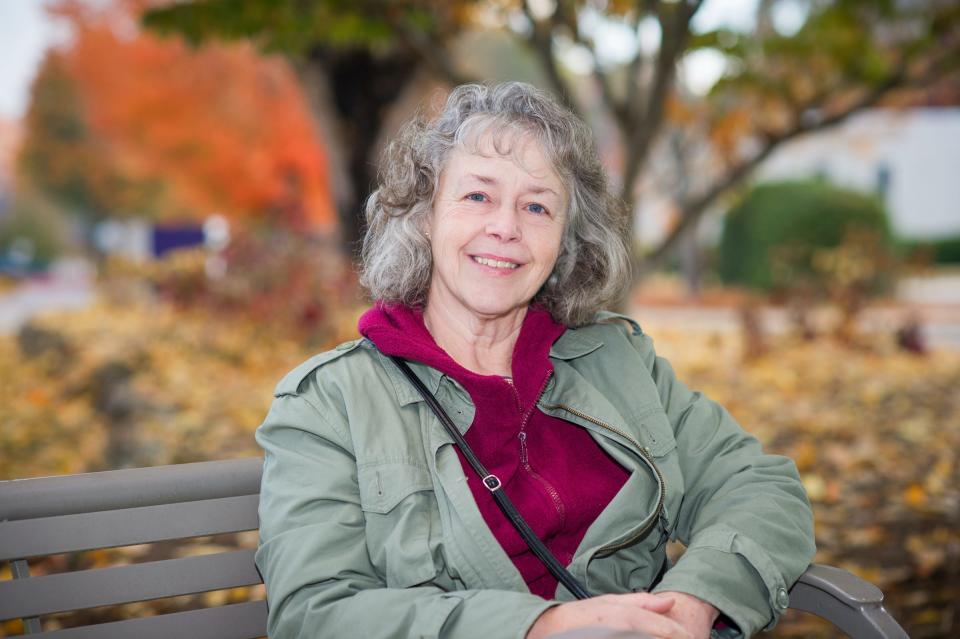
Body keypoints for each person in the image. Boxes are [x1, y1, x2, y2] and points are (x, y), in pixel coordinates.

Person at [255, 82, 815, 639]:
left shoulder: (615, 359)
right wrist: (541, 626)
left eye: (537, 206)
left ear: (564, 241)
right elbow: (316, 614)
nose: (506, 227)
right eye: (478, 196)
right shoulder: (330, 404)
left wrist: (692, 603)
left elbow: (758, 485)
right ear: (425, 216)